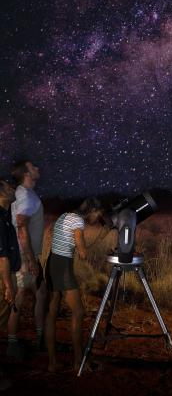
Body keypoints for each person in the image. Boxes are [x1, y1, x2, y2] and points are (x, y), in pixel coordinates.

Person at [45, 197, 104, 373]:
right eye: (98, 214)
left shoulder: (65, 216)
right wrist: (95, 242)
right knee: (78, 312)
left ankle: (52, 363)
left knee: (51, 314)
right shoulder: (78, 220)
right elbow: (83, 252)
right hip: (63, 267)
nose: (96, 219)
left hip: (52, 263)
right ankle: (79, 362)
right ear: (92, 210)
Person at [8, 160, 47, 359]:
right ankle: (12, 344)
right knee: (19, 296)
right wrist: (30, 260)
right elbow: (21, 227)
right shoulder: (25, 196)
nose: (38, 168)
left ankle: (40, 337)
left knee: (40, 293)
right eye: (34, 167)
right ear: (26, 174)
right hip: (25, 256)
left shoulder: (25, 194)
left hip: (26, 254)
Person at [0, 180, 21, 391]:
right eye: (8, 187)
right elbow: (2, 256)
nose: (13, 188)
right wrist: (8, 285)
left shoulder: (5, 214)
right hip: (2, 276)